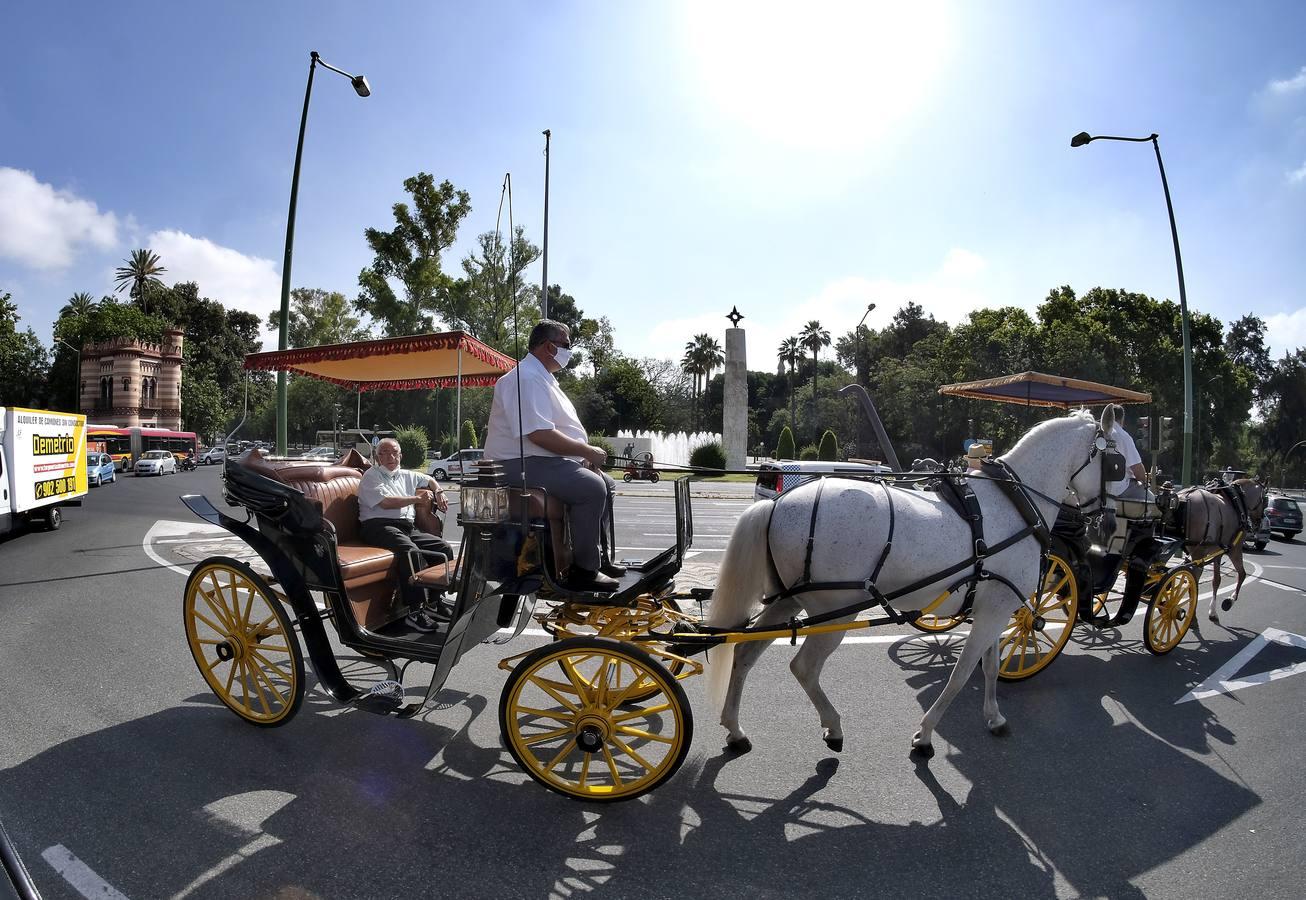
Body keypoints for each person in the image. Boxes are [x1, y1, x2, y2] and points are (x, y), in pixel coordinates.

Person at [484, 320, 624, 592]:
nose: (569, 352)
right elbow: (539, 435)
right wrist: (586, 451)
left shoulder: (542, 377)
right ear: (549, 347)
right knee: (591, 488)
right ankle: (584, 571)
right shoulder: (524, 378)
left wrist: (579, 458)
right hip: (516, 463)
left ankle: (597, 558)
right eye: (566, 345)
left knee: (607, 483)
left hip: (542, 459)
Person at [359, 438, 454, 632]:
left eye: (393, 452)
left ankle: (434, 603)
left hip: (405, 527)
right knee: (410, 552)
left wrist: (439, 491)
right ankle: (414, 611)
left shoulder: (407, 475)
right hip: (377, 526)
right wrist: (417, 498)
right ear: (377, 457)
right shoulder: (371, 476)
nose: (389, 457)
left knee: (442, 548)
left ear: (400, 455)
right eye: (383, 453)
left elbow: (429, 479)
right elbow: (385, 502)